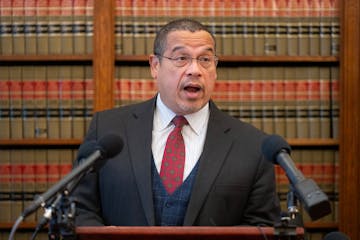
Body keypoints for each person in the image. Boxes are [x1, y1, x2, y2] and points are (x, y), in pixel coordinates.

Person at [72, 18, 281, 227]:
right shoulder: (108, 128)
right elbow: (80, 208)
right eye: (181, 58)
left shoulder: (252, 145)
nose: (195, 70)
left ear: (215, 68)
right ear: (155, 66)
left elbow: (262, 225)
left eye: (205, 60)